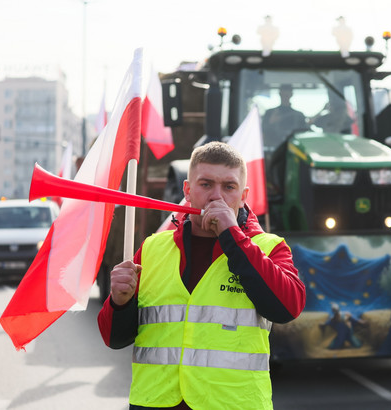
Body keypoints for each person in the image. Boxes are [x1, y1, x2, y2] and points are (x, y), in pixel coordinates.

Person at [97, 141, 306, 409]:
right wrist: (119, 302)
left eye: (229, 187)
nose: (216, 196)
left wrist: (233, 235)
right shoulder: (153, 247)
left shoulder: (268, 247)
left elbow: (288, 308)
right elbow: (113, 339)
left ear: (244, 195)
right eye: (206, 184)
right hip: (154, 402)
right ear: (187, 190)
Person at [261, 84, 307, 148]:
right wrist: (271, 122)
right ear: (280, 94)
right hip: (272, 151)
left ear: (291, 94)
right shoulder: (270, 113)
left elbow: (304, 134)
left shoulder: (299, 115)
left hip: (294, 150)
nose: (285, 97)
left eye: (287, 95)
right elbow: (262, 132)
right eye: (283, 94)